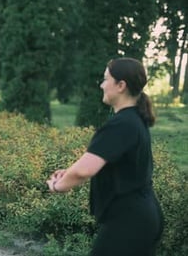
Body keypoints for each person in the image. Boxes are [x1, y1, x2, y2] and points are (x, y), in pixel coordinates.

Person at [46, 57, 164, 256]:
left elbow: (84, 171)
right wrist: (69, 172)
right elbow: (99, 162)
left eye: (105, 79)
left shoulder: (121, 124)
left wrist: (58, 186)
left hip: (129, 223)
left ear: (120, 85)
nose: (101, 85)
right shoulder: (133, 119)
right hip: (142, 217)